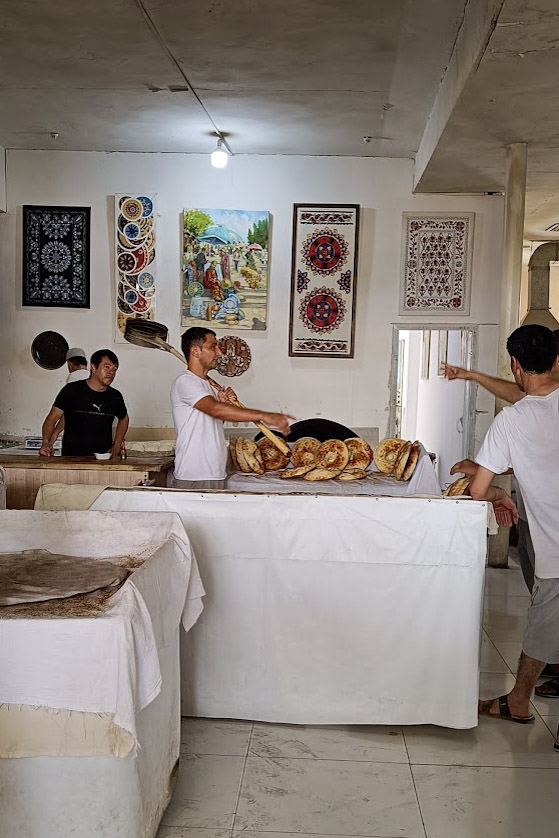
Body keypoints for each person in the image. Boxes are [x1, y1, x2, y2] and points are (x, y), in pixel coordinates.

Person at [463, 325, 559, 743]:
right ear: (556, 361)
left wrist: (495, 490)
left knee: (543, 624)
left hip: (555, 545)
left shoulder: (511, 421)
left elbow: (478, 491)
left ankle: (518, 701)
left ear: (515, 365)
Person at [171, 327, 292, 490]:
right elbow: (214, 410)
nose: (219, 353)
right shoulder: (186, 382)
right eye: (213, 346)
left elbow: (211, 420)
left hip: (214, 472)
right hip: (194, 475)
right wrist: (264, 416)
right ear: (195, 351)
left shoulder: (205, 385)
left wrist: (224, 404)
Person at [39, 349, 129, 458]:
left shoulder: (115, 396)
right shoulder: (71, 390)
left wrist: (117, 444)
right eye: (106, 367)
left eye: (114, 369)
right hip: (71, 459)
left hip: (103, 460)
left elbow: (124, 418)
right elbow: (51, 419)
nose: (111, 372)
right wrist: (46, 443)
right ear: (93, 368)